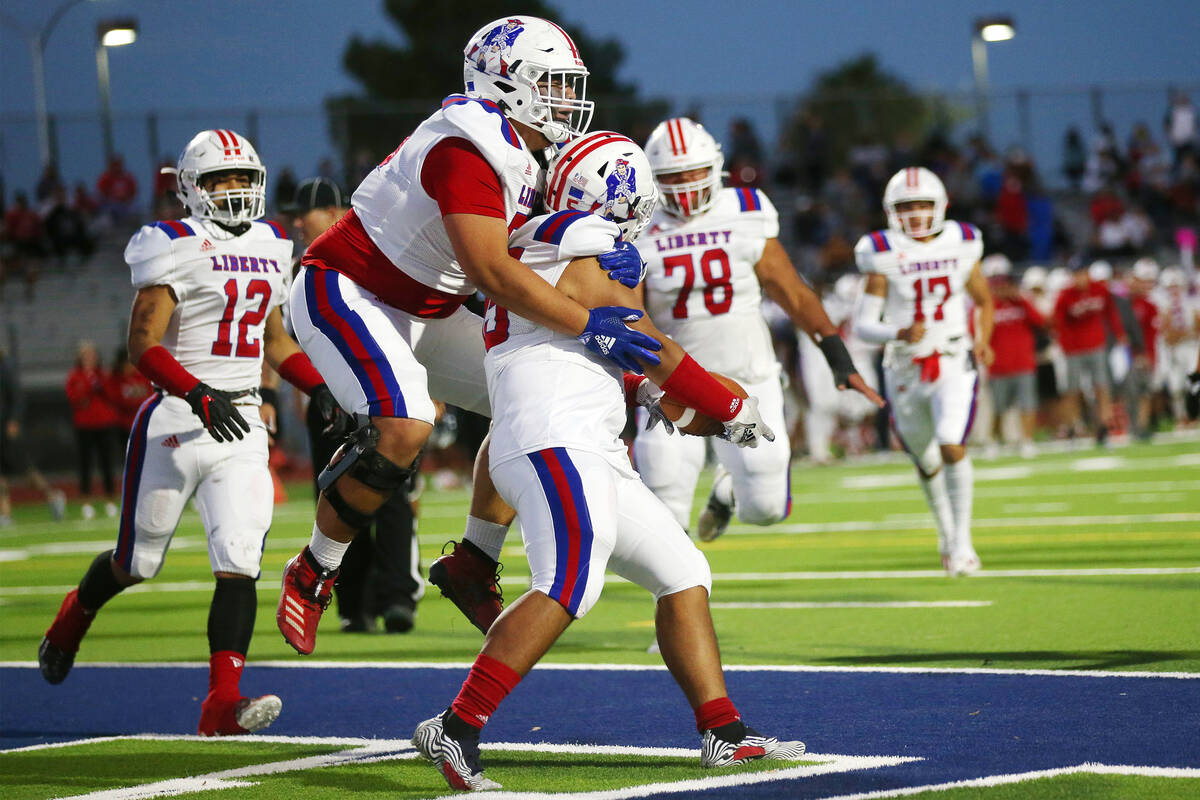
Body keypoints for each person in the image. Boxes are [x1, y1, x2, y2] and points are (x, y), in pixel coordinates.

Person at [411, 131, 800, 792]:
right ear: (615, 187)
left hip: (579, 440)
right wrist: (727, 407)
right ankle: (457, 724)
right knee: (568, 584)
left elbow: (615, 358)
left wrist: (676, 406)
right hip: (555, 439)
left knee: (683, 571)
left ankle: (723, 732)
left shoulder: (538, 237)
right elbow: (651, 347)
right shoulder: (589, 246)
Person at [276, 15, 669, 650]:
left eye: (571, 85)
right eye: (555, 84)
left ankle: (473, 561)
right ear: (506, 82)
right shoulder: (467, 145)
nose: (568, 100)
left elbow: (534, 241)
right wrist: (590, 327)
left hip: (428, 304)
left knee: (524, 400)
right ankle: (317, 567)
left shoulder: (521, 149)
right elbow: (492, 269)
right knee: (405, 425)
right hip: (348, 288)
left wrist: (603, 246)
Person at [38, 129, 343, 737]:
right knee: (136, 563)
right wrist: (196, 392)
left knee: (239, 561)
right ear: (189, 189)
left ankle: (220, 704)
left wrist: (323, 386)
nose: (233, 189)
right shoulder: (170, 243)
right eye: (217, 180)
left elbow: (275, 340)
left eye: (242, 178)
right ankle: (72, 619)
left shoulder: (273, 242)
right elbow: (142, 343)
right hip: (178, 416)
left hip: (242, 421)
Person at [633, 117, 880, 540]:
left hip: (748, 375)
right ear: (653, 179)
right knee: (665, 497)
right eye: (673, 176)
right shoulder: (638, 224)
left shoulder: (744, 210)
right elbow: (632, 314)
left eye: (694, 171)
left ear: (715, 168)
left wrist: (838, 357)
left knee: (765, 509)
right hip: (675, 379)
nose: (686, 184)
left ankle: (727, 490)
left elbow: (793, 293)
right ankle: (680, 594)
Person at [286, 176, 423, 634]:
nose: (296, 223)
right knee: (338, 494)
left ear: (330, 211)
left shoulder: (370, 248)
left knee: (390, 493)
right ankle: (354, 603)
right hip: (325, 393)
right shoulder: (296, 264)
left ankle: (398, 595)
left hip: (380, 388)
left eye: (302, 213)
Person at [853, 167, 995, 576]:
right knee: (925, 457)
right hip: (904, 365)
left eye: (922, 204)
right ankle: (947, 533)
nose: (915, 213)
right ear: (890, 211)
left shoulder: (962, 242)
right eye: (905, 206)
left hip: (952, 356)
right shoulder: (881, 252)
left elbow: (984, 301)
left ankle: (964, 544)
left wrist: (982, 338)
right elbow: (864, 323)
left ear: (941, 206)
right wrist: (897, 330)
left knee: (952, 443)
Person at [1052, 261, 1126, 444]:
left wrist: (1119, 332)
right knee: (1072, 390)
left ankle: (1103, 427)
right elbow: (1057, 322)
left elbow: (1111, 312)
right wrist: (1064, 345)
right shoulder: (1065, 295)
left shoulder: (1100, 289)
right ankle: (1074, 427)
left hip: (1096, 345)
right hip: (1073, 350)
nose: (1080, 278)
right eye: (1076, 274)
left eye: (1082, 273)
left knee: (1102, 387)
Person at [985, 256, 1046, 458]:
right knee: (998, 408)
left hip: (1023, 363)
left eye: (1004, 282)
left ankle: (1026, 440)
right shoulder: (987, 306)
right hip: (999, 366)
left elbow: (1040, 321)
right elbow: (976, 331)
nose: (1002, 287)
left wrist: (1021, 300)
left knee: (1027, 405)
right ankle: (993, 440)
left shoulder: (1021, 302)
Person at [0, 348, 67, 527]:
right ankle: (4, 513)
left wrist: (14, 420)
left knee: (25, 470)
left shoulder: (5, 367)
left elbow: (17, 397)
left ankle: (52, 495)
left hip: (7, 428)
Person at [64, 340, 120, 518]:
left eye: (91, 355)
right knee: (85, 464)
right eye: (85, 356)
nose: (89, 359)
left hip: (104, 423)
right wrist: (89, 385)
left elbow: (113, 395)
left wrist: (99, 385)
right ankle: (86, 501)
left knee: (106, 463)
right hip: (84, 424)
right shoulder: (75, 377)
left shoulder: (104, 375)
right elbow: (74, 399)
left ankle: (110, 500)